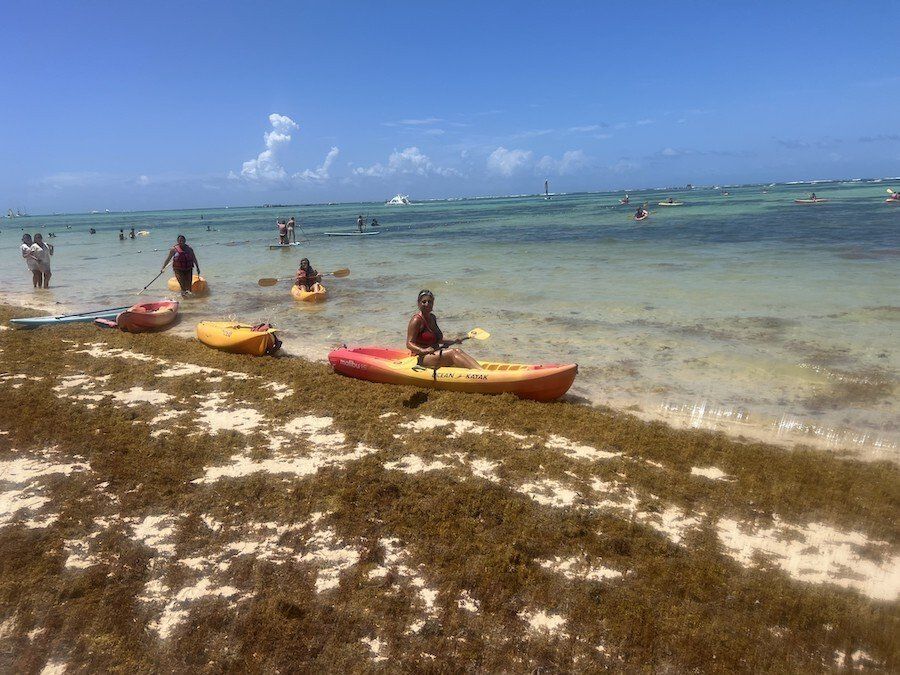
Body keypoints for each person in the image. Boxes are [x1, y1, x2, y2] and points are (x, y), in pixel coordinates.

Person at [406, 290, 483, 370]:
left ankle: (481, 371)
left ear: (433, 303)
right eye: (424, 302)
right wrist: (423, 350)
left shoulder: (432, 317)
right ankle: (480, 373)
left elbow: (439, 339)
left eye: (430, 302)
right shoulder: (416, 320)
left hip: (434, 353)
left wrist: (453, 340)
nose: (427, 304)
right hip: (420, 357)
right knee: (452, 353)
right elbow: (409, 343)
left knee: (458, 350)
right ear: (418, 303)